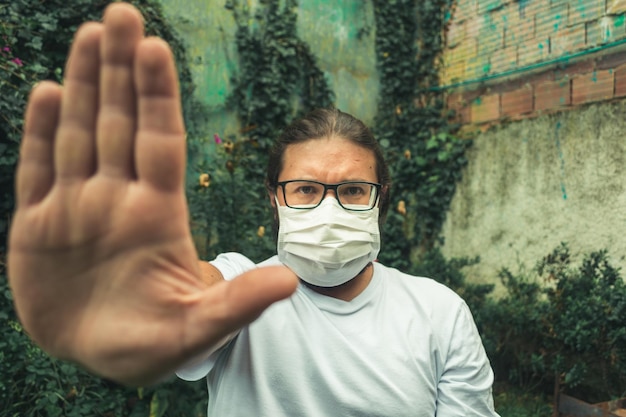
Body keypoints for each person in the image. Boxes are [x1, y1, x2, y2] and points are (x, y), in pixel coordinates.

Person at [8, 2, 499, 416]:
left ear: (380, 197)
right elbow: (194, 294)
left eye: (351, 190)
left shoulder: (439, 312)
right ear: (274, 197)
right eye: (306, 189)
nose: (329, 206)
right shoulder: (240, 288)